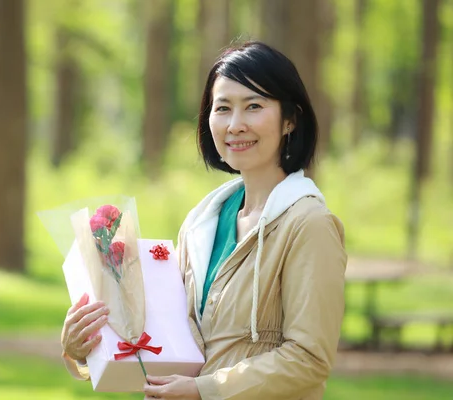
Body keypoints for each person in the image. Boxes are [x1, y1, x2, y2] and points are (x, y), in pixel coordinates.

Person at [61, 41, 347, 400]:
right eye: (223, 108)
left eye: (254, 106)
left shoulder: (309, 225)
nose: (235, 124)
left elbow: (309, 359)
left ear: (290, 119)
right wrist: (83, 349)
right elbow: (168, 341)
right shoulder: (202, 223)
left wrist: (203, 390)